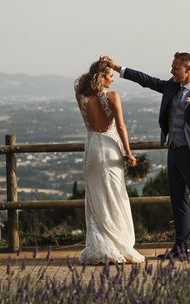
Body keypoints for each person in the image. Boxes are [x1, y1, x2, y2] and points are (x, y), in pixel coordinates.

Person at [110, 52, 190, 260]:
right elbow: (147, 81)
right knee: (178, 201)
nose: (171, 71)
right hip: (174, 151)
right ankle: (181, 247)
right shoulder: (171, 86)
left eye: (175, 68)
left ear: (189, 69)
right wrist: (119, 69)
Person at [74, 56, 145, 265]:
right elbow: (121, 127)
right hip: (111, 148)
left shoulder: (81, 96)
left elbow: (80, 82)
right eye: (110, 76)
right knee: (114, 195)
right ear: (101, 77)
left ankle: (100, 246)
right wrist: (129, 153)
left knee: (96, 199)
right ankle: (118, 243)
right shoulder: (112, 97)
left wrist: (99, 64)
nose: (113, 80)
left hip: (93, 151)